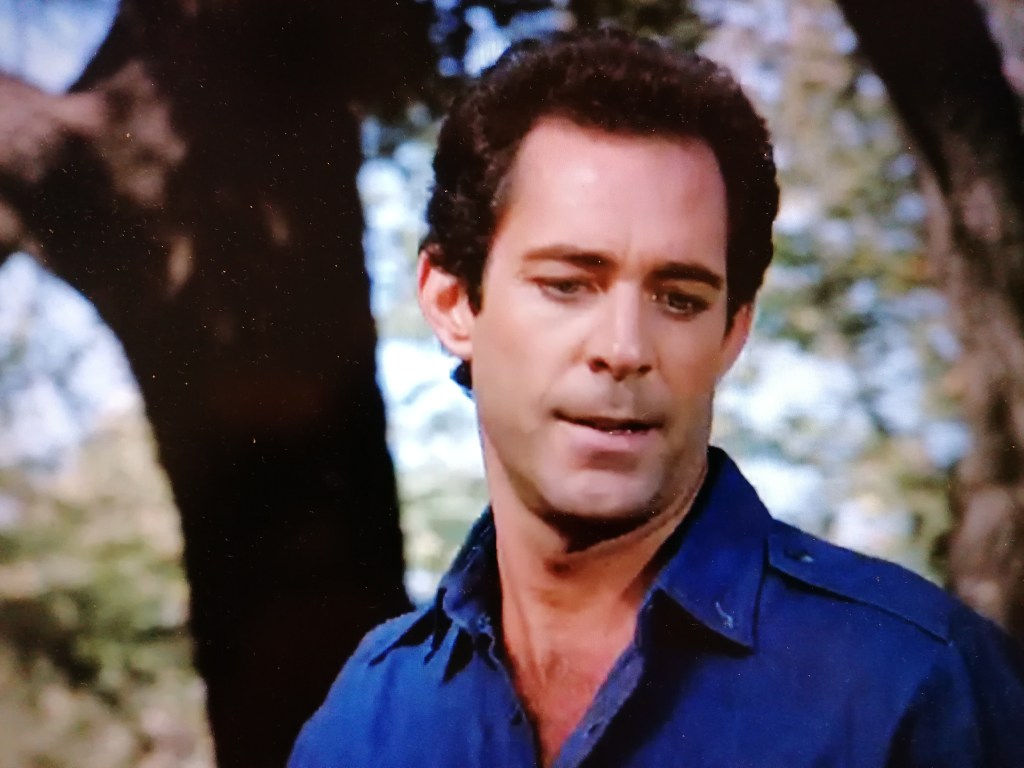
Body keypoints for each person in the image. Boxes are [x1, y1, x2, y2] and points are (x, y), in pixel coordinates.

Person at [290, 28, 1024, 767]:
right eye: (567, 285)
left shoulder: (915, 685)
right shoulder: (368, 717)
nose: (624, 348)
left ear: (733, 331)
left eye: (679, 299)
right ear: (452, 301)